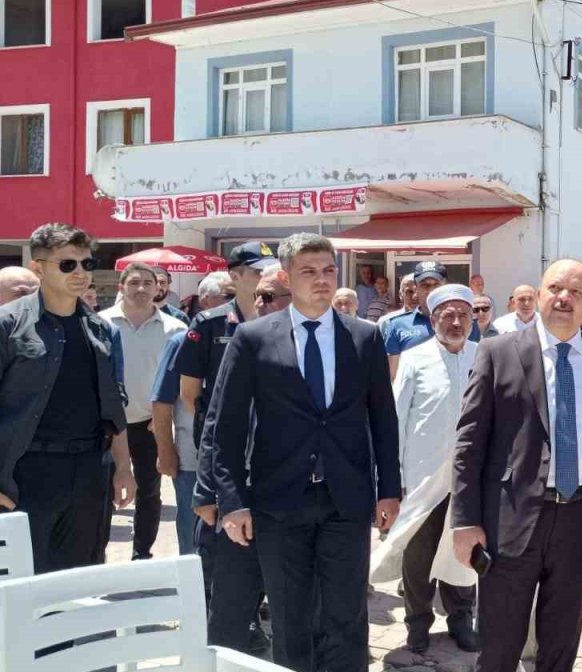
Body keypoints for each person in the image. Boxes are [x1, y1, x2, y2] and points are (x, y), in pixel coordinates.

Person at [208, 233, 401, 672]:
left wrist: (388, 489)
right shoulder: (253, 338)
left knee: (346, 616)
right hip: (279, 500)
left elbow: (383, 421)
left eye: (329, 270)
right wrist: (232, 501)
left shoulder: (365, 337)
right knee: (290, 615)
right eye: (309, 272)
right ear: (287, 277)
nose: (321, 280)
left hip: (346, 499)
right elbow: (227, 428)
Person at [451, 259, 582, 672]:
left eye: (577, 292)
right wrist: (464, 520)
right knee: (499, 645)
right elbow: (469, 442)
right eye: (556, 288)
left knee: (561, 641)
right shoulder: (498, 351)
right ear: (541, 293)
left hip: (581, 517)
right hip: (511, 518)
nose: (565, 298)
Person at [0, 223, 135, 573]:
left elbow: (113, 403)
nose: (80, 273)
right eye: (67, 264)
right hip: (26, 472)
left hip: (90, 471)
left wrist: (123, 467)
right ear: (38, 268)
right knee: (21, 582)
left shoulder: (102, 329)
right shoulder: (8, 324)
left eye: (87, 264)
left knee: (80, 579)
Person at [374, 284, 480, 661]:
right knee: (417, 557)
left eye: (462, 315)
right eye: (447, 315)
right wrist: (393, 480)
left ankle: (461, 619)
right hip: (421, 479)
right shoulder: (414, 358)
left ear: (472, 319)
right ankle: (417, 623)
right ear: (432, 319)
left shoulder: (484, 356)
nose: (455, 322)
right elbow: (397, 419)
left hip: (470, 480)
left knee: (464, 552)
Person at [179, 241, 275, 654]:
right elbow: (190, 394)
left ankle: (251, 619)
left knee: (259, 545)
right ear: (235, 276)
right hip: (224, 459)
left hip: (270, 458)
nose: (264, 281)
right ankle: (215, 632)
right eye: (256, 273)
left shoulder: (284, 322)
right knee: (219, 551)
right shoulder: (211, 323)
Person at [100, 262, 188, 560]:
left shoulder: (176, 329)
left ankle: (142, 553)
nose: (141, 289)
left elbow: (183, 380)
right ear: (121, 287)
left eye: (148, 283)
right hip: (107, 424)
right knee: (102, 492)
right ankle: (96, 552)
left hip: (150, 424)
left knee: (150, 490)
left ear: (158, 288)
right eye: (134, 282)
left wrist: (166, 420)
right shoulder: (100, 323)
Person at [151, 271, 235, 556]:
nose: (235, 304)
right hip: (191, 454)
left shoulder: (247, 335)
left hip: (233, 453)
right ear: (206, 300)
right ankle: (194, 587)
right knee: (193, 526)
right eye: (228, 297)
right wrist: (166, 451)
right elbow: (162, 401)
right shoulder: (181, 341)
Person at [385, 261, 447, 377]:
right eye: (425, 285)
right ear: (416, 288)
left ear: (445, 286)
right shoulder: (398, 325)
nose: (431, 290)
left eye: (436, 284)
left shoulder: (462, 322)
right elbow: (392, 376)